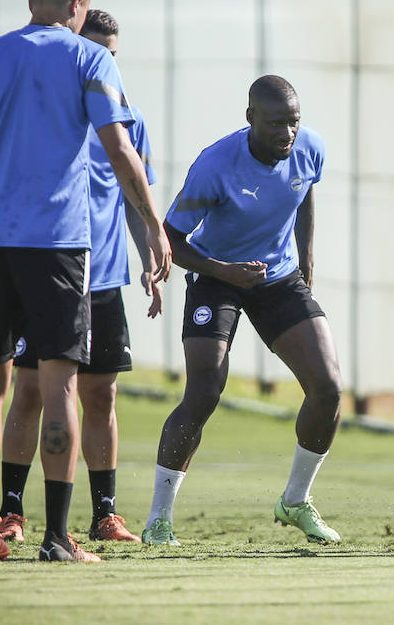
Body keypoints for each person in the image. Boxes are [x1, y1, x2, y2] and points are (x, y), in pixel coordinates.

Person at [0, 0, 171, 563]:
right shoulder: (90, 59)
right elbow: (120, 150)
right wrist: (152, 224)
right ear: (77, 7)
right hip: (59, 246)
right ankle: (57, 537)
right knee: (62, 383)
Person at [141, 75, 343, 546]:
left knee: (329, 389)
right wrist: (225, 272)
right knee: (204, 390)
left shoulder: (309, 147)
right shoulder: (215, 166)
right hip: (216, 278)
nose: (286, 134)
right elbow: (172, 241)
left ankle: (295, 501)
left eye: (293, 123)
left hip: (278, 277)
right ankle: (158, 520)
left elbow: (305, 190)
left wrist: (306, 255)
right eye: (275, 124)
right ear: (250, 117)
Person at [0, 10, 159, 547]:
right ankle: (12, 512)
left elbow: (136, 199)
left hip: (104, 276)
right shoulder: (51, 117)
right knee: (31, 391)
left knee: (102, 394)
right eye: (97, 53)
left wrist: (149, 261)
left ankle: (105, 513)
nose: (105, 64)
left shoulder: (130, 121)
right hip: (48, 273)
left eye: (113, 55)